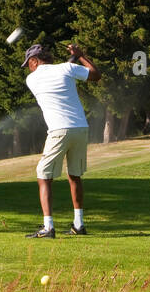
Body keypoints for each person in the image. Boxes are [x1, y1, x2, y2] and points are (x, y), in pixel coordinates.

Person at [21, 42, 101, 238]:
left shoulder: (32, 79)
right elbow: (95, 74)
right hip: (81, 128)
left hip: (58, 129)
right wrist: (80, 55)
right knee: (74, 175)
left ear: (34, 61)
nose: (27, 68)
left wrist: (73, 58)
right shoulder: (66, 68)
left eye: (28, 63)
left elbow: (54, 73)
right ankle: (79, 224)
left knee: (43, 175)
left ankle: (48, 227)